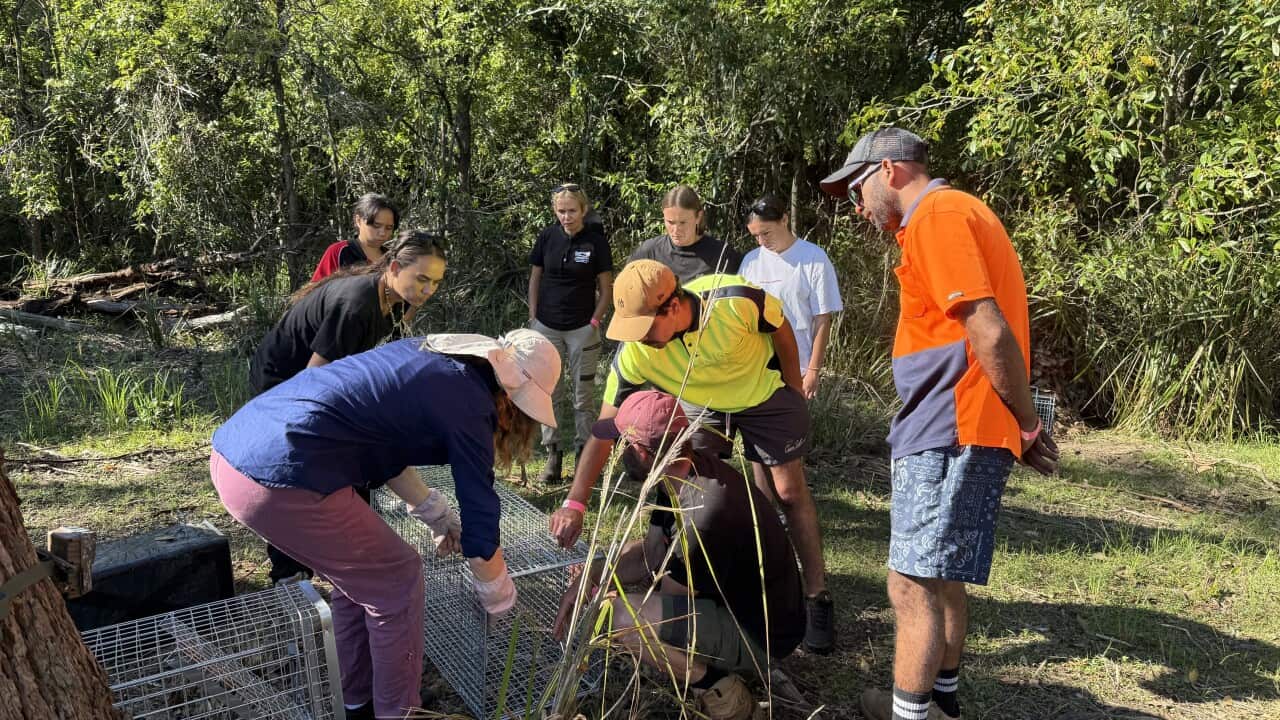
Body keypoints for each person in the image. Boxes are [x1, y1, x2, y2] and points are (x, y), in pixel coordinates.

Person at [818, 127, 1059, 720]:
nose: (856, 206)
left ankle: (910, 713)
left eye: (857, 189)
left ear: (891, 171)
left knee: (911, 583)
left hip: (949, 424)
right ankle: (939, 702)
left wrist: (1027, 425)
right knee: (940, 574)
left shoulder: (938, 216)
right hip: (954, 421)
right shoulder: (952, 214)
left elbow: (987, 327)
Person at [210, 329, 561, 720]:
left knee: (358, 581)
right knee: (398, 577)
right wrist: (498, 594)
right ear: (512, 404)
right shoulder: (470, 401)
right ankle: (400, 712)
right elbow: (481, 513)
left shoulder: (428, 359)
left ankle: (356, 701)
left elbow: (385, 449)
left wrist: (436, 513)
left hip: (237, 454)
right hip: (279, 473)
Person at [548, 259, 837, 655]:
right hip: (703, 403)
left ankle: (816, 595)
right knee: (685, 487)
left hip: (762, 394)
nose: (640, 341)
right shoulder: (637, 353)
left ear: (672, 307)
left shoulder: (734, 300)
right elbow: (605, 428)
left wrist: (792, 389)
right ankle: (684, 573)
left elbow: (781, 329)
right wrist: (575, 502)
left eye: (645, 329)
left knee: (787, 491)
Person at [553, 390, 804, 720]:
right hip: (735, 604)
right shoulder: (680, 469)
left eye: (621, 442)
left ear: (642, 452)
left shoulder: (702, 514)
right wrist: (595, 575)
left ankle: (722, 691)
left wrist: (604, 601)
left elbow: (671, 604)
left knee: (622, 619)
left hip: (762, 634)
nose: (615, 448)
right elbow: (652, 553)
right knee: (621, 603)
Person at [251, 229, 447, 583]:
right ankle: (289, 573)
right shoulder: (358, 304)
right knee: (300, 472)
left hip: (319, 379)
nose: (428, 290)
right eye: (421, 279)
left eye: (435, 282)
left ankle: (351, 554)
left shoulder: (397, 297)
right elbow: (315, 382)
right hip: (285, 381)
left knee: (355, 466)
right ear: (395, 266)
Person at [527, 182, 613, 483]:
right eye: (561, 211)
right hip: (547, 326)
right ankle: (552, 452)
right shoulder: (547, 237)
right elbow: (535, 276)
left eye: (572, 211)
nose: (567, 216)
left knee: (582, 395)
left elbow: (606, 287)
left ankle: (582, 453)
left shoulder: (596, 242)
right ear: (555, 211)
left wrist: (595, 320)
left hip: (581, 329)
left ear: (583, 210)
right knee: (549, 391)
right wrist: (533, 315)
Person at [739, 194, 843, 400]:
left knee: (793, 427)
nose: (761, 241)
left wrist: (813, 370)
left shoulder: (813, 258)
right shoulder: (750, 262)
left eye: (766, 233)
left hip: (798, 365)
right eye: (755, 236)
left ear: (784, 220)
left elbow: (822, 319)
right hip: (756, 367)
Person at [629, 185, 742, 283]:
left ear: (698, 216)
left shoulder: (722, 254)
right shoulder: (650, 251)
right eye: (670, 222)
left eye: (682, 222)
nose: (676, 230)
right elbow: (625, 290)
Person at [311, 193, 401, 282]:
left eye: (389, 228)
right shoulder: (339, 252)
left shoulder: (392, 258)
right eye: (376, 225)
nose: (382, 233)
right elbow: (315, 291)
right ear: (358, 220)